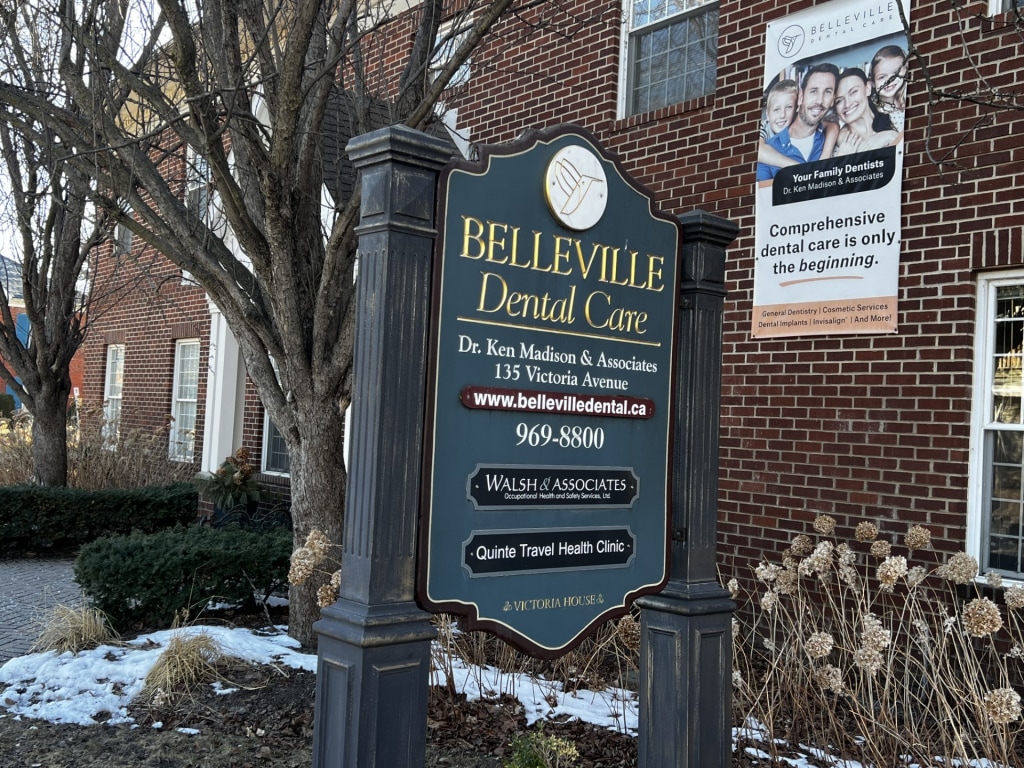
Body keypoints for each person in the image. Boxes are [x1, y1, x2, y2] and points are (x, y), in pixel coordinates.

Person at [756, 63, 840, 181]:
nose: (819, 100)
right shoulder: (770, 150)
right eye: (813, 91)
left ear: (833, 100)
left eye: (827, 92)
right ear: (801, 96)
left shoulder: (833, 141)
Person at [832, 67, 901, 156]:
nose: (847, 104)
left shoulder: (897, 119)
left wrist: (890, 136)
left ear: (867, 88)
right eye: (839, 101)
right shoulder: (835, 147)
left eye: (853, 92)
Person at [869, 45, 908, 131]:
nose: (889, 80)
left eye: (895, 73)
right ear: (873, 83)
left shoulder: (907, 103)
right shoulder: (871, 112)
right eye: (882, 77)